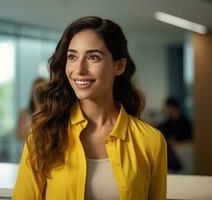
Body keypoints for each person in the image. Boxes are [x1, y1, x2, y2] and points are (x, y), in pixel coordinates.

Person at [13, 16, 167, 199]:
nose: (79, 69)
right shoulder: (42, 134)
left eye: (93, 57)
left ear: (119, 66)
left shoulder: (151, 142)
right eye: (72, 57)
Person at [158, 97, 193, 174]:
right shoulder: (167, 123)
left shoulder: (185, 123)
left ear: (172, 108)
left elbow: (191, 140)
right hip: (173, 150)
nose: (165, 110)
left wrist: (177, 144)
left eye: (167, 108)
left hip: (183, 150)